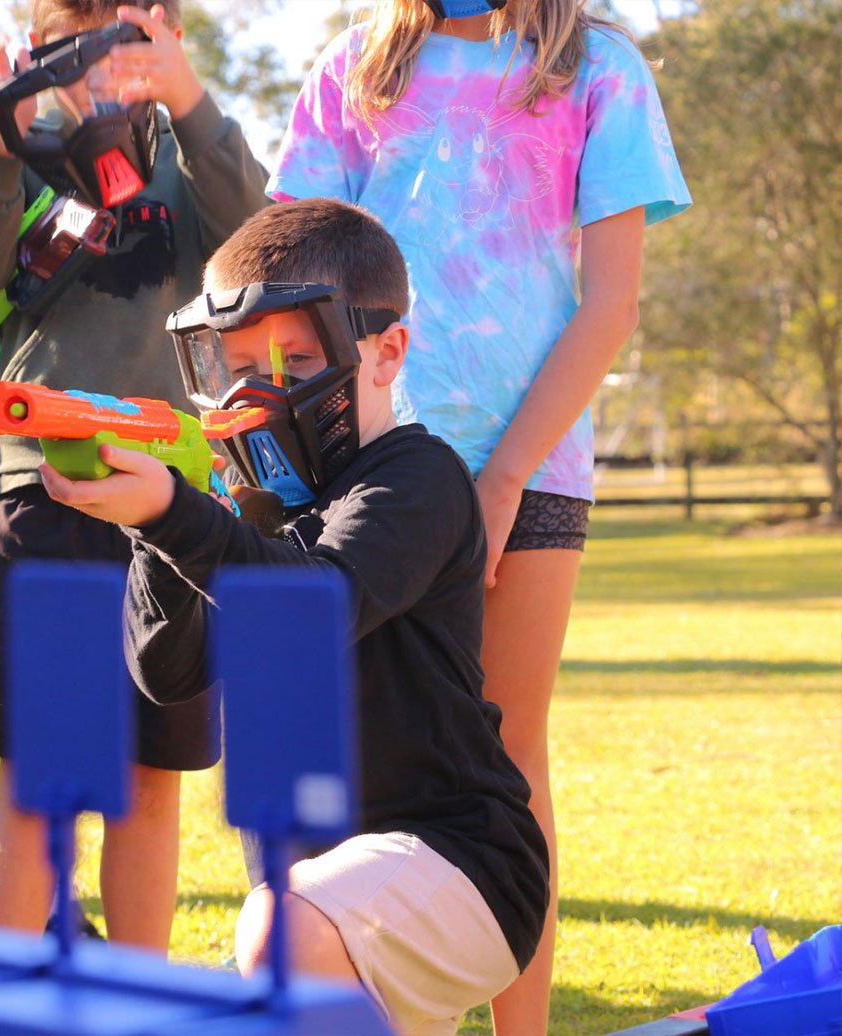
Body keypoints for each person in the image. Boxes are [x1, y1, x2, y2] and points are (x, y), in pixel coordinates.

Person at [266, 2, 690, 1028]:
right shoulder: (355, 65)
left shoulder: (598, 67)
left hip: (529, 467)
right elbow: (287, 276)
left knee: (502, 754)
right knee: (353, 748)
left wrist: (500, 480)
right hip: (360, 466)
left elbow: (612, 305)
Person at [40, 198, 550, 1036]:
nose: (257, 392)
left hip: (458, 860)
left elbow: (310, 607)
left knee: (281, 934)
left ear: (387, 351)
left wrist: (174, 513)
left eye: (295, 359)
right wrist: (158, 525)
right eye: (237, 365)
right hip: (323, 897)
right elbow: (166, 671)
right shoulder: (251, 514)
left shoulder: (414, 477)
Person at [0, 0, 269, 951]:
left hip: (173, 500)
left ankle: (138, 994)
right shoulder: (23, 156)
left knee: (150, 780)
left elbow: (254, 236)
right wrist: (1, 141)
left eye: (114, 48)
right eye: (63, 53)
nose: (91, 74)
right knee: (39, 779)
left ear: (158, 40)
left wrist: (186, 97)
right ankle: (5, 1000)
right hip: (48, 492)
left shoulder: (187, 157)